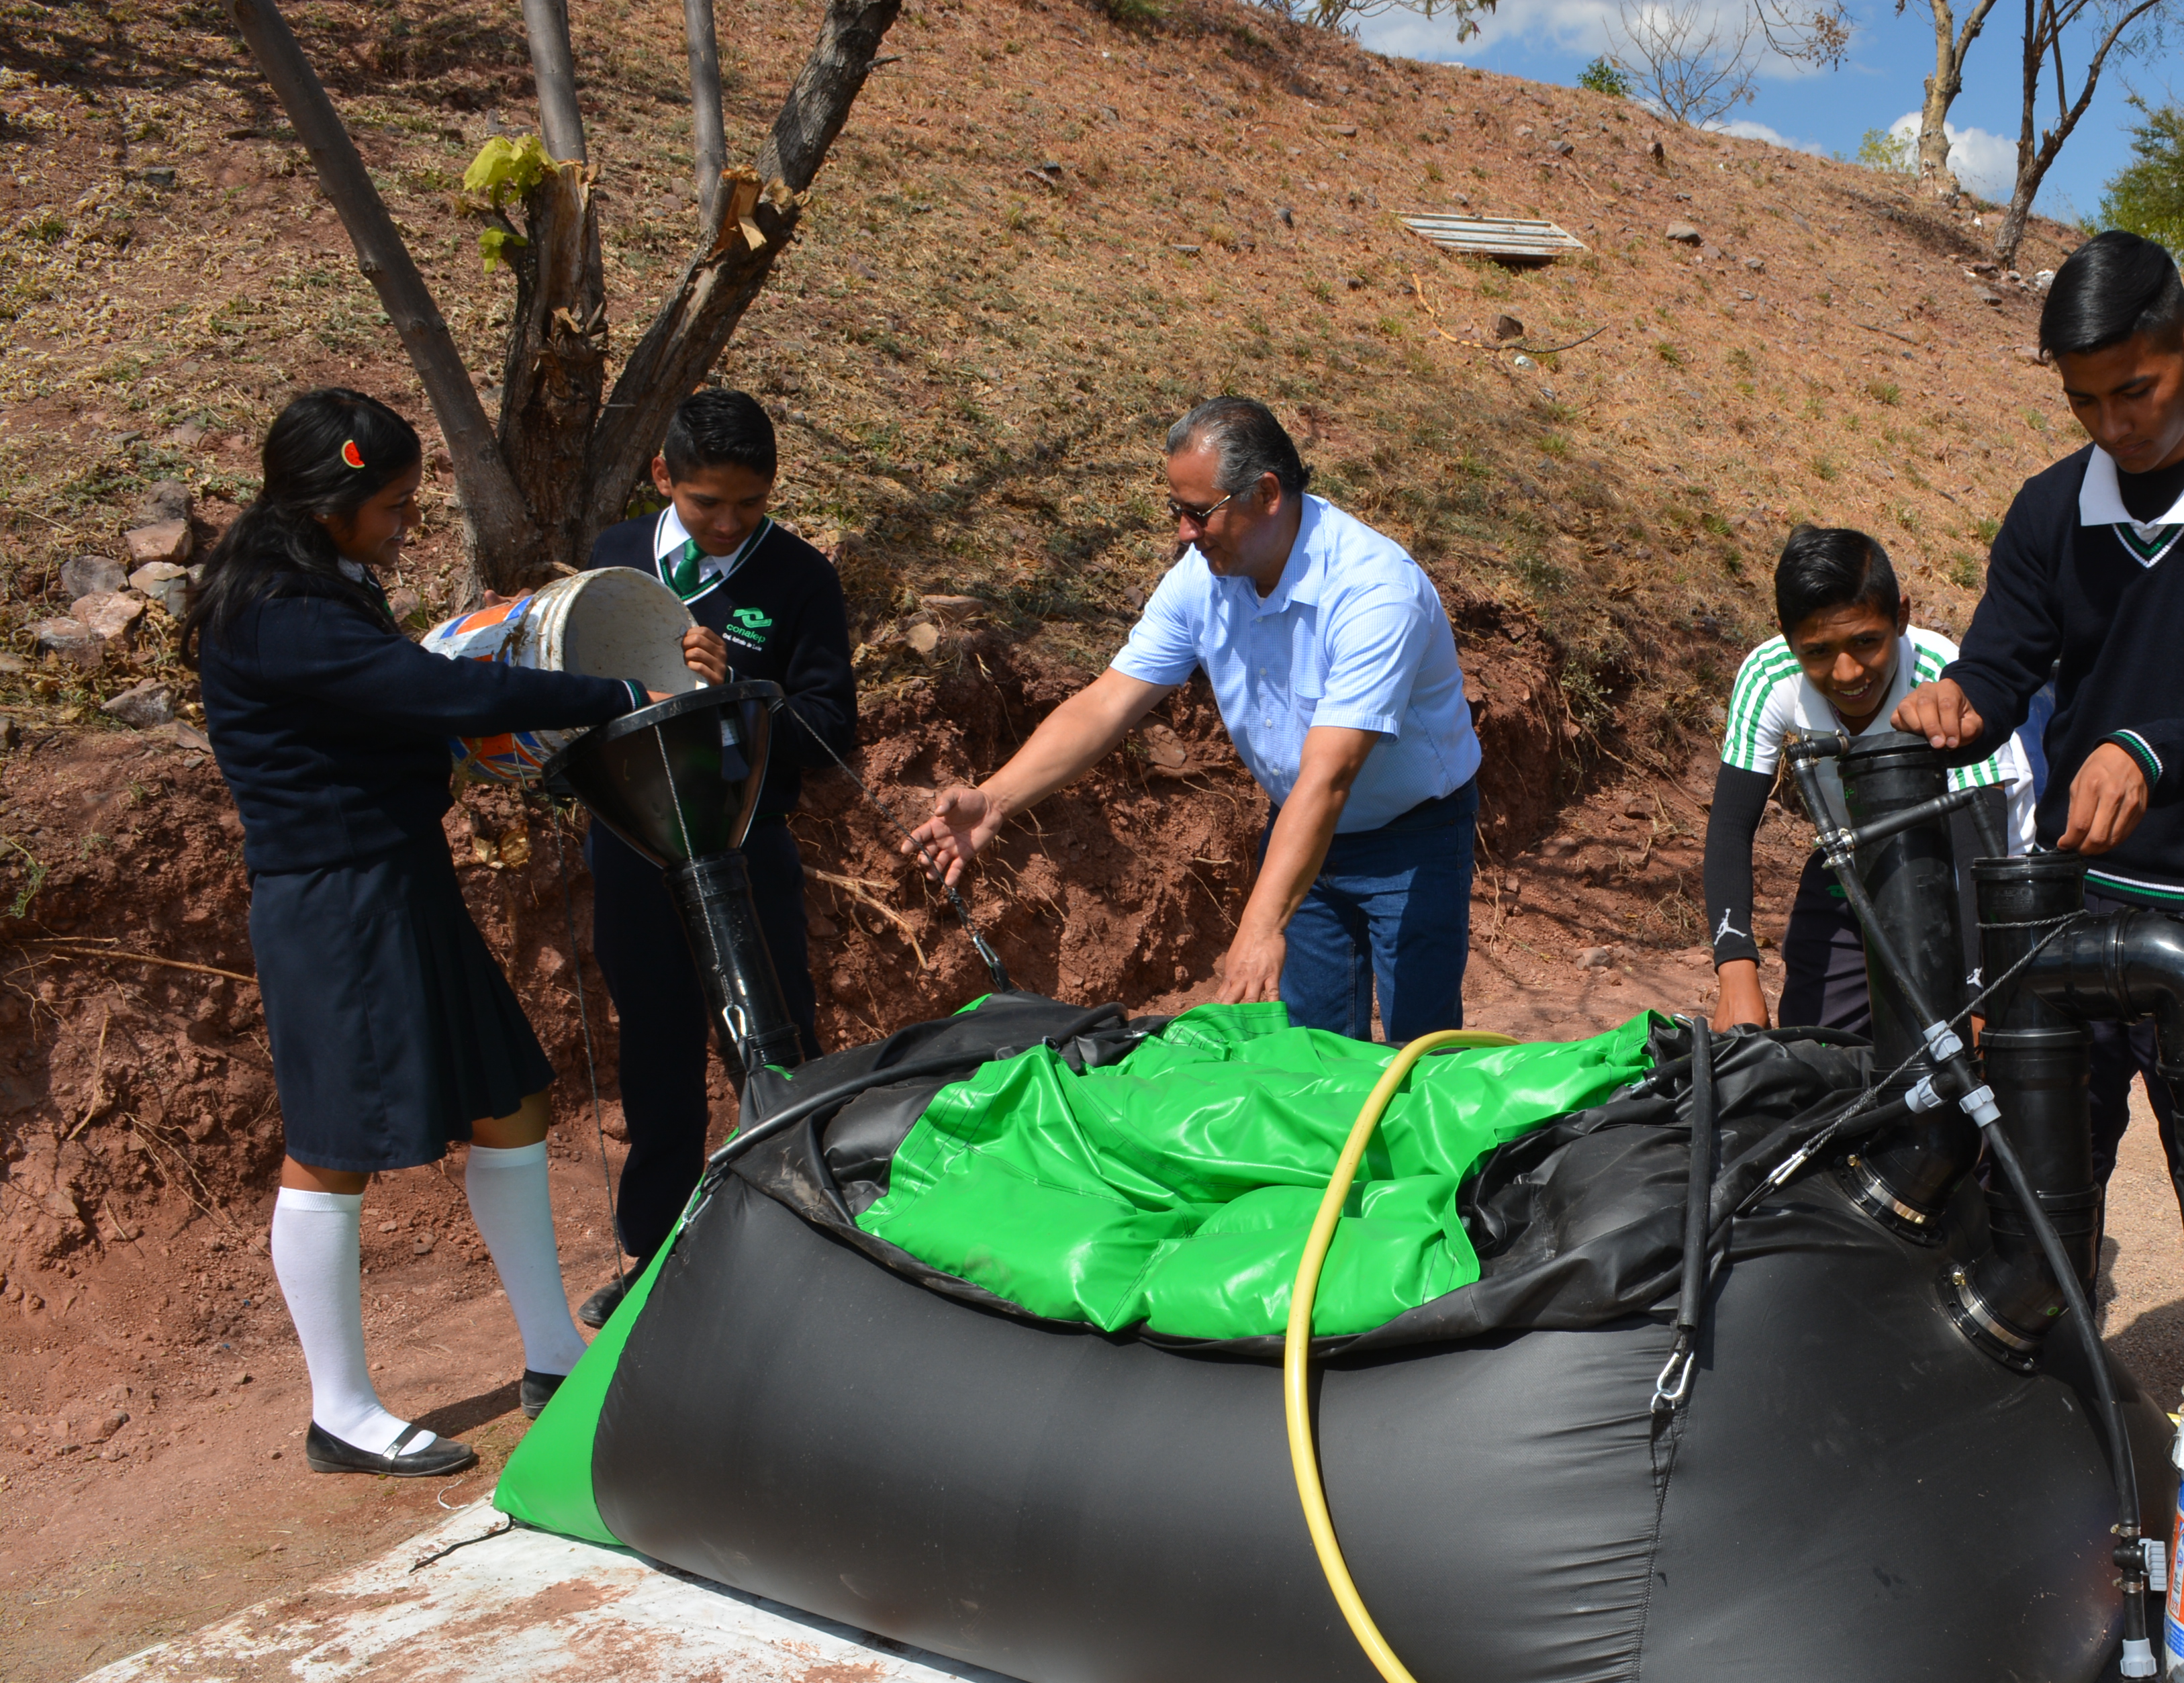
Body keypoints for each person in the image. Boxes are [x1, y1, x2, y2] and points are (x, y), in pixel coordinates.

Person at [188, 388, 714, 1476]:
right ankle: (340, 1413)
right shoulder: (275, 609)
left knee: (510, 1101)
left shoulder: (322, 575)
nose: (406, 524)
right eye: (391, 506)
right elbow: (422, 691)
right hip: (335, 902)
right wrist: (610, 690)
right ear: (327, 505)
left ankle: (551, 1355)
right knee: (334, 1149)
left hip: (402, 879)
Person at [1891, 230, 2184, 1351]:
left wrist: (2150, 753)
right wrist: (1955, 704)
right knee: (2038, 1190)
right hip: (2072, 907)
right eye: (2083, 401)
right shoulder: (2051, 511)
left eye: (2135, 390)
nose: (2112, 425)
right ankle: (2043, 1406)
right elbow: (2001, 670)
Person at [906, 397, 1482, 1042]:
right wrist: (996, 800)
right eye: (1175, 510)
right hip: (1300, 831)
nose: (1184, 531)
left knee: (1421, 1051)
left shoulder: (1375, 592)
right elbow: (1109, 701)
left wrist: (1261, 926)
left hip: (1413, 837)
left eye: (1199, 512)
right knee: (1308, 1051)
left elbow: (1330, 777)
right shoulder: (1203, 579)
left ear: (1266, 494)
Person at [575, 389, 857, 1327]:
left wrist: (740, 689)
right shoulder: (616, 557)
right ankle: (657, 1260)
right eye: (706, 503)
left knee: (774, 1044)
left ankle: (810, 1241)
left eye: (750, 503)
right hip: (632, 845)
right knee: (654, 1050)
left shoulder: (800, 578)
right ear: (663, 476)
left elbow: (830, 731)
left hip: (744, 847)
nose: (729, 523)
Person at [1703, 527, 2031, 1032]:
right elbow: (1730, 826)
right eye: (1817, 651)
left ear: (1901, 616)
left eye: (1866, 642)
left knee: (1967, 1050)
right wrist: (1736, 969)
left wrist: (1977, 994)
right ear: (1787, 636)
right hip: (1856, 859)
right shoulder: (1768, 676)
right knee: (1813, 1049)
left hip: (1974, 874)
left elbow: (1979, 839)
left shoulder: (1942, 674)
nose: (1848, 672)